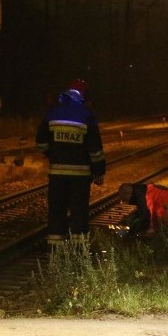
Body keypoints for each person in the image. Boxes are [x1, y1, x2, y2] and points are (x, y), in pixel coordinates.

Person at [36, 79, 106, 241]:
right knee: (79, 210)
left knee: (56, 208)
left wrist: (52, 154)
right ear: (83, 96)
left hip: (57, 174)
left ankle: (55, 245)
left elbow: (40, 142)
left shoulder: (53, 112)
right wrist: (99, 172)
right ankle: (78, 247)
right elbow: (95, 150)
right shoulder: (87, 115)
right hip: (81, 176)